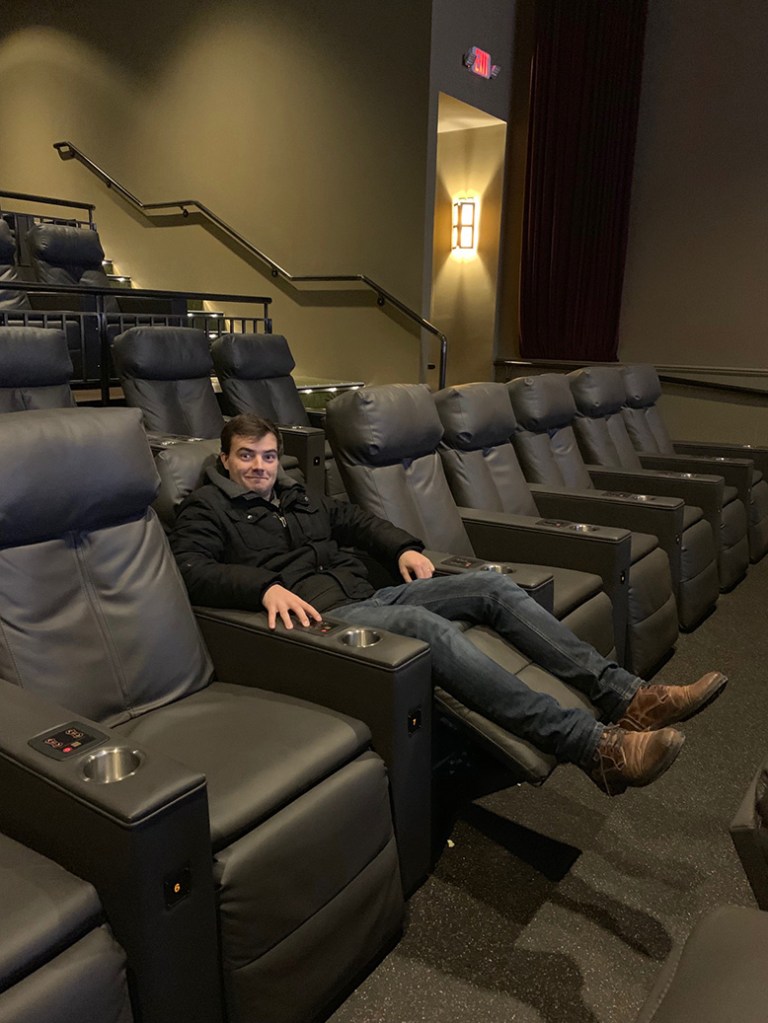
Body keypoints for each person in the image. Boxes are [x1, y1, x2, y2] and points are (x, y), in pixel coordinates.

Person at [169, 413, 728, 796]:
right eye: (247, 456)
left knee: (490, 586)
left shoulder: (297, 495)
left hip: (369, 595)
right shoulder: (206, 508)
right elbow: (190, 569)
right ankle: (592, 745)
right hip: (325, 622)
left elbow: (355, 520)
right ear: (225, 458)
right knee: (423, 625)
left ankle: (628, 695)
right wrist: (262, 587)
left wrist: (404, 548)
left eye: (268, 456)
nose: (260, 466)